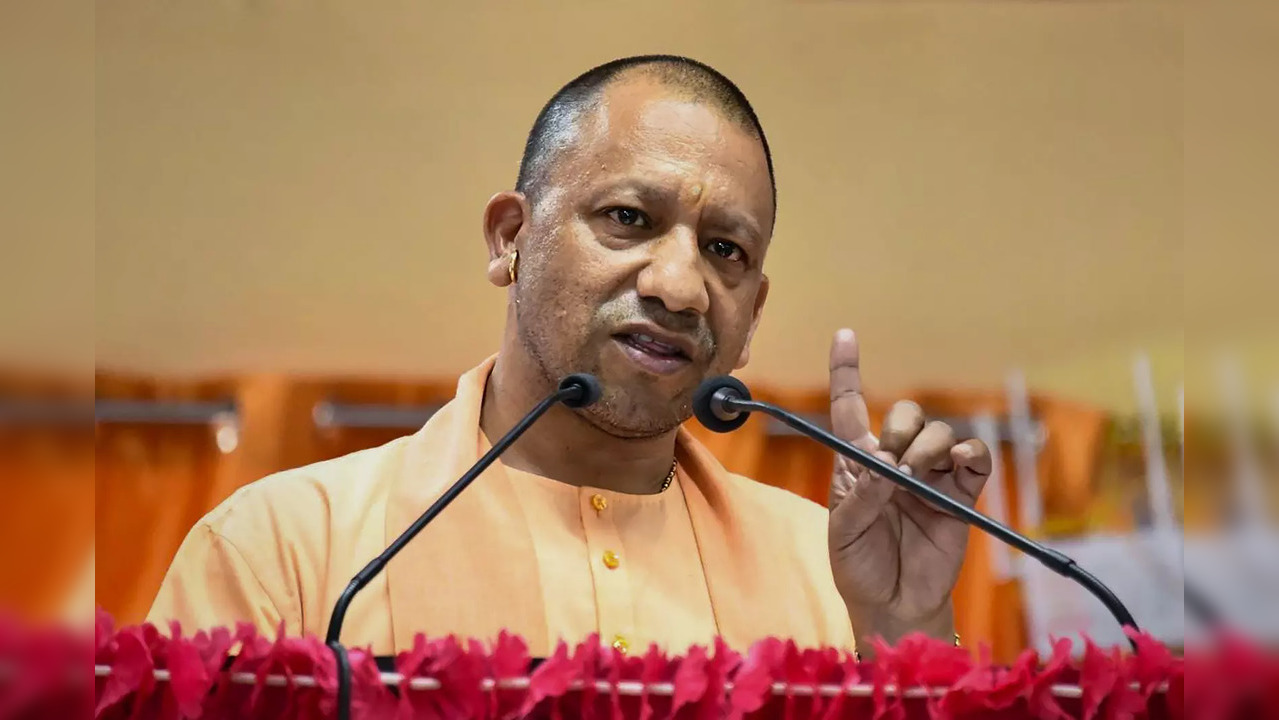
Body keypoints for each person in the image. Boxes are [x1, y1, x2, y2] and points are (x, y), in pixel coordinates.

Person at [148, 55, 991, 659]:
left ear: (753, 312)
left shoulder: (828, 568)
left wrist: (902, 639)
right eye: (628, 217)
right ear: (511, 237)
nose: (680, 286)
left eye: (725, 250)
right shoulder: (286, 552)